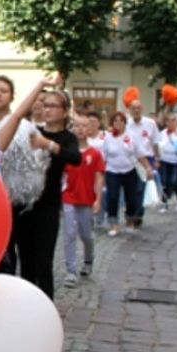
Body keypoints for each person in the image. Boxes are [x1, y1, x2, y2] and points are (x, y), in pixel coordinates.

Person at [7, 87, 81, 298]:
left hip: (48, 205)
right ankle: (28, 305)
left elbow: (75, 158)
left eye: (52, 106)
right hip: (23, 204)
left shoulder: (67, 137)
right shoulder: (32, 130)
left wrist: (48, 145)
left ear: (65, 111)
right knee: (26, 260)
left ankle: (47, 305)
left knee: (44, 261)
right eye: (44, 105)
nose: (46, 109)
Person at [61, 116, 104, 286]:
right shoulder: (68, 153)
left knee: (86, 235)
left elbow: (99, 178)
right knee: (69, 234)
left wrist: (98, 199)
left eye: (84, 126)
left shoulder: (95, 153)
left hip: (86, 199)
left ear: (90, 129)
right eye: (77, 126)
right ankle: (71, 271)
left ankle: (88, 260)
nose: (80, 129)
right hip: (69, 197)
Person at [103, 112, 151, 237]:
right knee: (112, 198)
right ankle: (113, 224)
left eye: (121, 121)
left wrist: (147, 167)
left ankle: (130, 221)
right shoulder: (107, 138)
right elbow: (103, 156)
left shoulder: (132, 136)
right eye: (115, 121)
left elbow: (139, 153)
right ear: (112, 123)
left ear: (125, 123)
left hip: (129, 171)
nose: (118, 123)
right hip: (112, 171)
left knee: (131, 198)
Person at [125, 101, 159, 223]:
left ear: (142, 109)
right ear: (130, 110)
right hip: (130, 159)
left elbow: (155, 142)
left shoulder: (150, 124)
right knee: (130, 187)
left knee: (140, 187)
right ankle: (130, 211)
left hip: (146, 159)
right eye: (133, 108)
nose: (136, 110)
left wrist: (156, 158)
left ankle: (138, 214)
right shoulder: (126, 124)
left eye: (138, 108)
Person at [156, 113, 177, 212]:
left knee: (175, 181)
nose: (171, 122)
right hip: (165, 160)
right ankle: (164, 202)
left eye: (174, 120)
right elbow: (158, 146)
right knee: (165, 182)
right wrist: (157, 158)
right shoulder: (163, 133)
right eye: (169, 120)